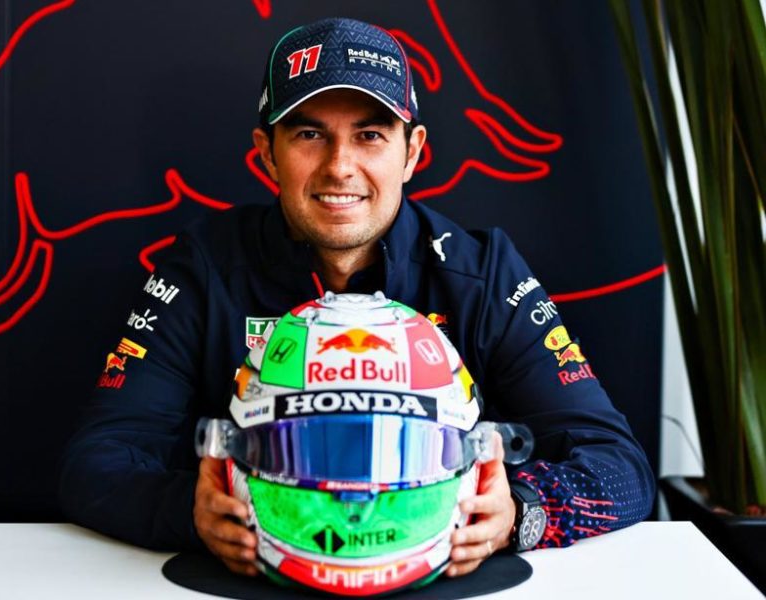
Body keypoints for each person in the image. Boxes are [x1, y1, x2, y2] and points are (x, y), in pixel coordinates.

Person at [60, 17, 655, 580]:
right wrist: (191, 511)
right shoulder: (204, 267)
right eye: (309, 134)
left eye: (369, 135)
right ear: (267, 152)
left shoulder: (483, 273)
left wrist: (521, 511)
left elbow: (621, 466)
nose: (339, 166)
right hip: (255, 579)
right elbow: (96, 461)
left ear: (412, 151)